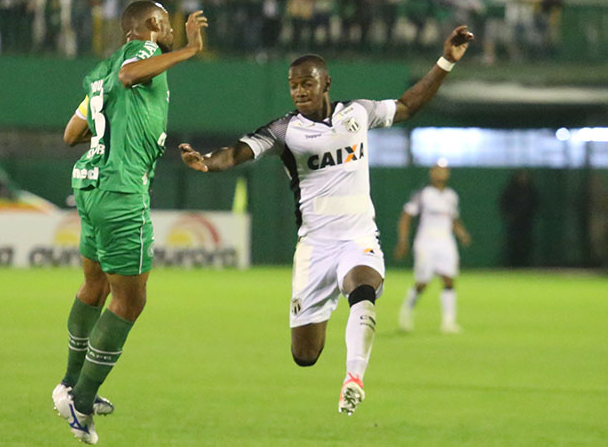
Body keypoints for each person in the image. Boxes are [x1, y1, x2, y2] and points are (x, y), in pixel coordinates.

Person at [178, 26, 474, 415]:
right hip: (316, 247)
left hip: (358, 237)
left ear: (326, 83)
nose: (299, 91)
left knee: (363, 290)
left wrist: (445, 62)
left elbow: (406, 107)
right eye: (293, 86)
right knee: (305, 354)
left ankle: (354, 379)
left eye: (307, 83)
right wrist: (207, 162)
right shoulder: (286, 131)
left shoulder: (357, 113)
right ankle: (330, 311)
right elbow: (237, 152)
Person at [52, 0, 208, 445]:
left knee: (95, 288)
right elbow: (131, 75)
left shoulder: (101, 72)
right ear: (153, 26)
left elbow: (70, 134)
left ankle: (69, 384)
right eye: (168, 24)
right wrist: (192, 50)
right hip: (121, 191)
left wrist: (110, 130)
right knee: (130, 301)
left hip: (91, 183)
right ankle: (82, 402)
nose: (174, 30)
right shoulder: (139, 55)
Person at [394, 162, 471, 334]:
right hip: (426, 242)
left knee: (449, 279)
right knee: (423, 282)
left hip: (446, 242)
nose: (441, 173)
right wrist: (403, 241)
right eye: (438, 170)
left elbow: (453, 219)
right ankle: (406, 311)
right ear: (432, 173)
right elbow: (406, 216)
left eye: (444, 170)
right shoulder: (423, 194)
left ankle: (448, 322)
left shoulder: (451, 196)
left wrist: (462, 234)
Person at [499, 170, 538, 267]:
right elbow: (504, 203)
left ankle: (526, 264)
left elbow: (536, 203)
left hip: (527, 223)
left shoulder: (531, 190)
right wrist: (510, 215)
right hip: (514, 223)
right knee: (513, 244)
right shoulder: (511, 190)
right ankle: (511, 264)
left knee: (526, 244)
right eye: (521, 176)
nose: (523, 178)